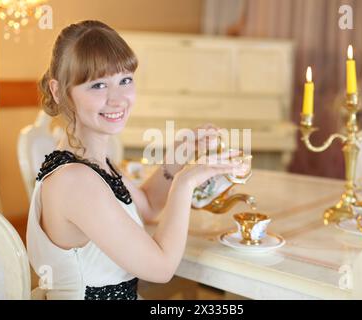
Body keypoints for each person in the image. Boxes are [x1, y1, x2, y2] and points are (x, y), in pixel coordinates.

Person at [26, 20, 244, 300]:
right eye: (98, 85)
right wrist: (185, 182)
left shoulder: (93, 163)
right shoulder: (75, 181)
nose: (117, 99)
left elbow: (149, 206)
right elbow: (162, 268)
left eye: (125, 80)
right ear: (59, 91)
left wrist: (179, 155)